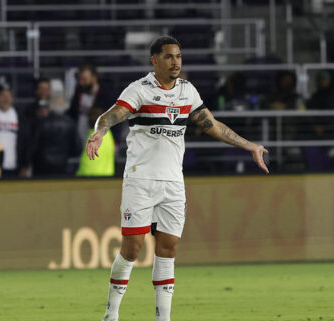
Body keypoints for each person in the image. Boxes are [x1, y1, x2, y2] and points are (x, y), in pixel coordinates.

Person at [85, 36, 269, 321]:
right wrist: (99, 131)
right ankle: (111, 314)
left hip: (173, 184)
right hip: (141, 181)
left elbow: (213, 124)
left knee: (167, 249)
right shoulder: (140, 90)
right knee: (132, 249)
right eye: (169, 57)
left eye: (179, 56)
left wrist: (250, 146)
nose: (176, 62)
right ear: (154, 60)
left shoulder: (187, 91)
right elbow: (113, 115)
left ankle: (163, 318)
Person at [0, 86, 29, 177]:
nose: (6, 99)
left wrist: (25, 165)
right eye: (2, 95)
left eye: (8, 96)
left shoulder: (21, 117)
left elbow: (26, 142)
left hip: (16, 167)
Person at [31, 95, 82, 176]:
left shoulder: (42, 122)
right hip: (62, 165)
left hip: (42, 165)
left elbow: (34, 146)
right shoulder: (70, 123)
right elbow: (77, 147)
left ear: (50, 106)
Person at [67, 64, 114, 141]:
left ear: (94, 78)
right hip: (79, 133)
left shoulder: (106, 94)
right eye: (79, 79)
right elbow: (72, 112)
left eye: (84, 79)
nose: (81, 82)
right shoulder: (78, 91)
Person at [76, 106, 115, 177]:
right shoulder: (109, 134)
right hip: (107, 176)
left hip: (92, 178)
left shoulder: (94, 136)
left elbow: (88, 165)